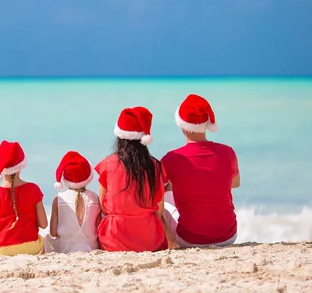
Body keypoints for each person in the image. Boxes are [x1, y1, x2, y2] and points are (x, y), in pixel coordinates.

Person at [161, 94, 241, 248]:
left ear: (182, 126)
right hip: (228, 236)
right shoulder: (227, 152)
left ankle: (170, 244)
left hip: (189, 240)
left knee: (163, 202)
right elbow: (235, 183)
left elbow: (155, 193)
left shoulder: (171, 158)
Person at [94, 107, 176, 252]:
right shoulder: (155, 166)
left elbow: (103, 207)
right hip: (149, 239)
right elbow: (159, 210)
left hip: (114, 239)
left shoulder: (107, 163)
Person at [44, 151, 101, 254]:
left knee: (47, 237)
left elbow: (53, 233)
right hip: (91, 247)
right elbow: (98, 228)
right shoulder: (95, 198)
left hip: (66, 248)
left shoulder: (59, 199)